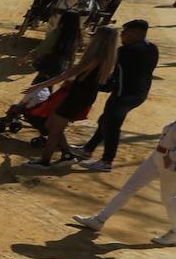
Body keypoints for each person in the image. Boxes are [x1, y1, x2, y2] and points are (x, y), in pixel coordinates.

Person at [23, 25, 119, 168]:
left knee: (54, 129)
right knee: (51, 125)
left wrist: (39, 85)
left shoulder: (94, 58)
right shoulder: (107, 57)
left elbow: (66, 75)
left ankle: (45, 162)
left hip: (77, 97)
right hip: (83, 96)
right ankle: (67, 154)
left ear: (99, 39)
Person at [73, 117, 176, 245]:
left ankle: (175, 232)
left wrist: (171, 158)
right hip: (156, 158)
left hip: (170, 165)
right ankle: (99, 220)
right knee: (129, 188)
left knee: (168, 198)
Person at [77, 19, 159, 171]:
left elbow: (110, 69)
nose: (122, 36)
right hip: (139, 94)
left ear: (135, 33)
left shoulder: (126, 51)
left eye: (124, 33)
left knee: (111, 125)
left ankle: (107, 161)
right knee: (105, 120)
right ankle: (88, 149)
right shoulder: (152, 48)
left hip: (123, 94)